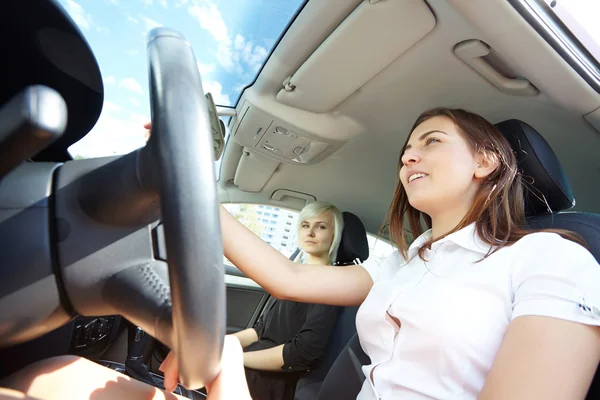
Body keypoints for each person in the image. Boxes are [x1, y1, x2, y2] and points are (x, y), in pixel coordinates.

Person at [3, 108, 600, 399]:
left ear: (486, 161)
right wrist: (179, 179)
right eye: (405, 150)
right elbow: (283, 277)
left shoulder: (552, 258)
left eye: (431, 141)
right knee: (53, 379)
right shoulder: (404, 261)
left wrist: (231, 382)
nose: (407, 158)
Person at [222, 201, 344, 400]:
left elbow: (300, 353)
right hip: (253, 365)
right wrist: (222, 345)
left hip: (272, 380)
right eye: (305, 225)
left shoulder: (331, 285)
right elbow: (261, 330)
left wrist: (237, 359)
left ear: (335, 235)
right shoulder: (291, 275)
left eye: (321, 226)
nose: (310, 232)